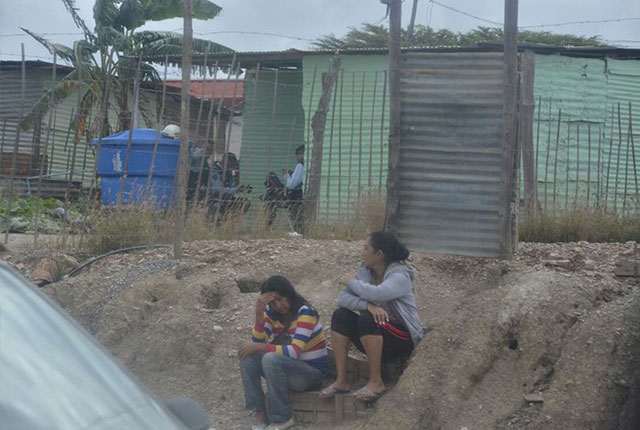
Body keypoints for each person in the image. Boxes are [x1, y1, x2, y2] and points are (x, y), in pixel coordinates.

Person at [320, 231, 423, 402]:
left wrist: (351, 282)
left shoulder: (400, 275)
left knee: (368, 318)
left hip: (402, 339)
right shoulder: (365, 272)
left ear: (379, 254)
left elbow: (378, 294)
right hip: (377, 333)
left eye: (366, 248)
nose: (362, 252)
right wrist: (368, 305)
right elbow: (343, 299)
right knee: (341, 316)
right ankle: (341, 380)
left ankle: (376, 382)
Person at [239, 275, 328, 430]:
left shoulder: (305, 312)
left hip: (311, 374)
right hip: (288, 370)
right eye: (272, 302)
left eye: (280, 299)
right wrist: (259, 314)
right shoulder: (271, 313)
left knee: (270, 358)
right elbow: (256, 342)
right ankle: (260, 413)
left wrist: (260, 347)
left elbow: (294, 351)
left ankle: (282, 418)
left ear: (289, 295)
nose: (277, 305)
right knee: (248, 356)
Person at [282, 144, 305, 232]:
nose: (298, 157)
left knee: (295, 216)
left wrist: (286, 175)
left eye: (299, 154)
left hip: (296, 195)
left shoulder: (300, 166)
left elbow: (291, 185)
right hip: (300, 195)